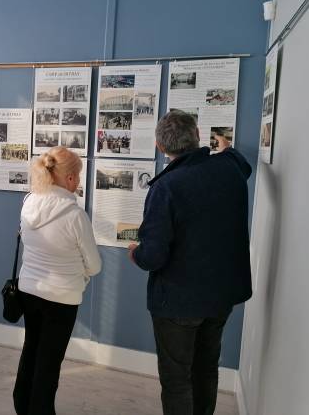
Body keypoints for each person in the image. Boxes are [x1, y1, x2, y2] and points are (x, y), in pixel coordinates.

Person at [128, 110, 252, 415]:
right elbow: (242, 163)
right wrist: (225, 146)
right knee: (206, 368)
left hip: (177, 301)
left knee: (176, 379)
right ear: (198, 137)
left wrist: (136, 253)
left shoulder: (166, 187)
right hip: (221, 296)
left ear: (160, 147)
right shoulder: (230, 168)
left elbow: (153, 257)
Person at [14, 146, 101, 415]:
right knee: (49, 362)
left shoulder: (29, 202)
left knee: (31, 350)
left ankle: (22, 404)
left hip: (29, 290)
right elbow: (95, 266)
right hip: (61, 299)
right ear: (72, 178)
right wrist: (80, 271)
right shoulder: (75, 216)